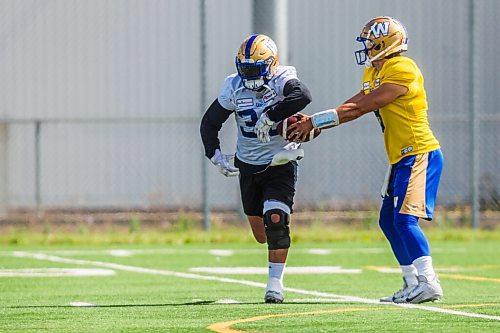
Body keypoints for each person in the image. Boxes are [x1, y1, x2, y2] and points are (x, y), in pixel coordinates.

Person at [287, 16, 444, 304]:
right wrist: (318, 122)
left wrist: (317, 121)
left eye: (371, 42)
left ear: (385, 42)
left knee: (405, 220)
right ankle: (411, 282)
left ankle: (428, 281)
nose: (367, 47)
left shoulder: (403, 68)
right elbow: (356, 101)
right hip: (400, 156)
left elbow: (362, 107)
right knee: (388, 221)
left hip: (420, 152)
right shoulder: (374, 71)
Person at [200, 34, 312, 303]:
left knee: (276, 221)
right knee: (260, 235)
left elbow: (303, 95)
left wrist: (271, 116)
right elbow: (210, 123)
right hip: (248, 164)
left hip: (280, 161)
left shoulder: (283, 78)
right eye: (246, 69)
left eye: (256, 69)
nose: (250, 75)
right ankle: (273, 265)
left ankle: (275, 285)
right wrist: (214, 155)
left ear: (272, 65)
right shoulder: (234, 86)